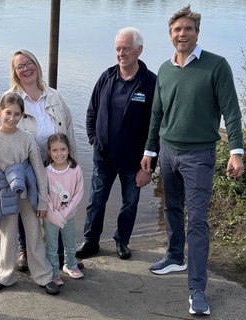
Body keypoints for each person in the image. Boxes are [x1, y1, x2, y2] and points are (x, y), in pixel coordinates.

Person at [140, 5, 244, 316]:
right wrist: (149, 151)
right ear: (170, 35)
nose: (182, 34)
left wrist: (236, 152)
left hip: (199, 155)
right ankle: (174, 257)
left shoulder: (216, 66)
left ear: (196, 32)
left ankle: (197, 289)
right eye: (176, 30)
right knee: (171, 207)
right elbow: (157, 114)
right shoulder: (165, 70)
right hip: (168, 152)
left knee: (197, 221)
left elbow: (232, 111)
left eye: (187, 29)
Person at [76, 27, 157, 261]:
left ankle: (122, 241)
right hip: (104, 157)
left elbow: (156, 127)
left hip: (135, 160)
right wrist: (93, 139)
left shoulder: (150, 83)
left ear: (139, 50)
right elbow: (91, 111)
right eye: (118, 49)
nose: (121, 53)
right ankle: (91, 242)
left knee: (130, 203)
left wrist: (149, 165)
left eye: (126, 49)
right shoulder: (107, 77)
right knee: (96, 202)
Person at [0, 49, 76, 271]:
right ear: (15, 72)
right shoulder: (8, 99)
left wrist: (71, 162)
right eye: (20, 66)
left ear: (37, 65)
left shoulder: (54, 96)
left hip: (54, 164)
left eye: (29, 63)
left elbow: (68, 129)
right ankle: (25, 251)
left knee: (55, 206)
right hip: (23, 167)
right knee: (24, 209)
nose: (26, 69)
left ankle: (57, 253)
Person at [0, 92, 59, 295]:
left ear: (22, 115)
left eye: (17, 114)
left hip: (28, 193)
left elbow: (38, 169)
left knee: (34, 234)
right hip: (3, 193)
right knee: (8, 235)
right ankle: (5, 276)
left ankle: (43, 275)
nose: (12, 118)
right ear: (0, 112)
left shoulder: (27, 138)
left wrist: (42, 200)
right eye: (8, 113)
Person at [43, 133, 84, 286]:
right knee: (52, 246)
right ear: (49, 152)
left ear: (69, 150)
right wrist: (54, 214)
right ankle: (53, 272)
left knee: (70, 243)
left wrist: (65, 214)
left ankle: (70, 265)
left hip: (69, 216)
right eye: (55, 150)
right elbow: (44, 194)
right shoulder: (46, 171)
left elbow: (78, 193)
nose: (59, 154)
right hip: (50, 217)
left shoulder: (75, 170)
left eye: (63, 149)